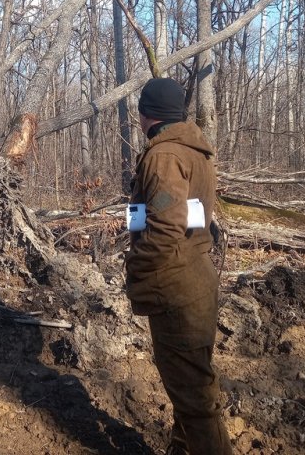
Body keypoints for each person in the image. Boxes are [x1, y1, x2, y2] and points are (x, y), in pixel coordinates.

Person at [125, 78, 233, 455]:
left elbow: (165, 227)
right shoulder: (196, 151)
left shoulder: (163, 156)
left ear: (145, 114)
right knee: (193, 385)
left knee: (196, 401)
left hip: (175, 287)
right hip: (198, 279)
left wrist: (136, 268)